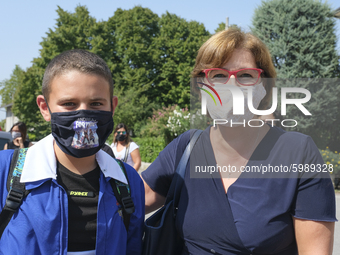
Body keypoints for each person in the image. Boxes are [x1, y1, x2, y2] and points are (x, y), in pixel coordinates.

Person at [142, 28, 336, 255]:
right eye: (218, 75)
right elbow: (125, 201)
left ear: (263, 85)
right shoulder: (185, 148)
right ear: (200, 86)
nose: (232, 86)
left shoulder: (298, 152)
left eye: (245, 75)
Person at [0, 49, 144, 254]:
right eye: (69, 104)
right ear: (44, 107)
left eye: (95, 104)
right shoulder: (6, 170)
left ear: (112, 107)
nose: (83, 116)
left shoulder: (128, 181)